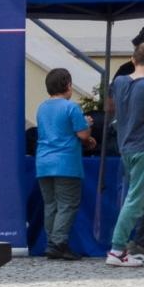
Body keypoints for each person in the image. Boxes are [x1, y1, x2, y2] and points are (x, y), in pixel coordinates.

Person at [105, 41, 144, 267]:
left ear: (132, 59)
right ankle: (117, 249)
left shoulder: (119, 82)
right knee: (136, 200)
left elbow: (112, 106)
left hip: (126, 147)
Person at [35, 68, 94, 260]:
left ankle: (52, 242)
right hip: (66, 163)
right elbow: (83, 135)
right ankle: (58, 243)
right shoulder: (71, 108)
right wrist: (87, 124)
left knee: (50, 204)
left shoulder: (42, 107)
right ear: (68, 85)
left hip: (43, 162)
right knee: (67, 204)